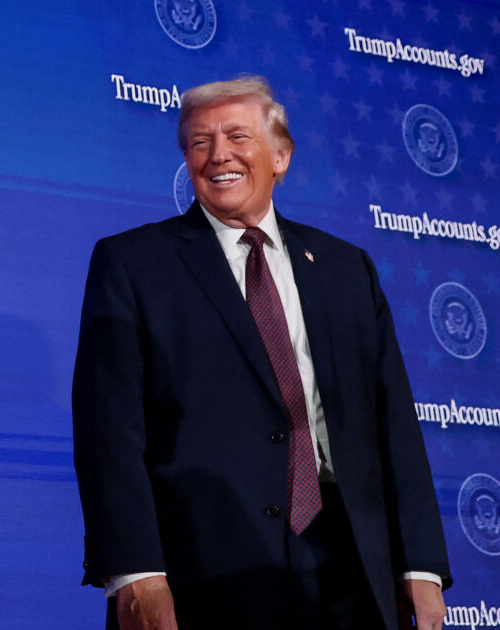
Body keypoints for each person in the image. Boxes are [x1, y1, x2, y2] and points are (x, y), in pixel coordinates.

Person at [72, 76, 450, 630]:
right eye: (200, 142)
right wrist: (136, 573)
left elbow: (393, 420)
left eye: (237, 137)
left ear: (281, 156)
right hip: (204, 569)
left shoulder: (346, 268)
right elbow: (110, 431)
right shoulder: (134, 263)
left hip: (349, 563)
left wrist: (420, 563)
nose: (218, 155)